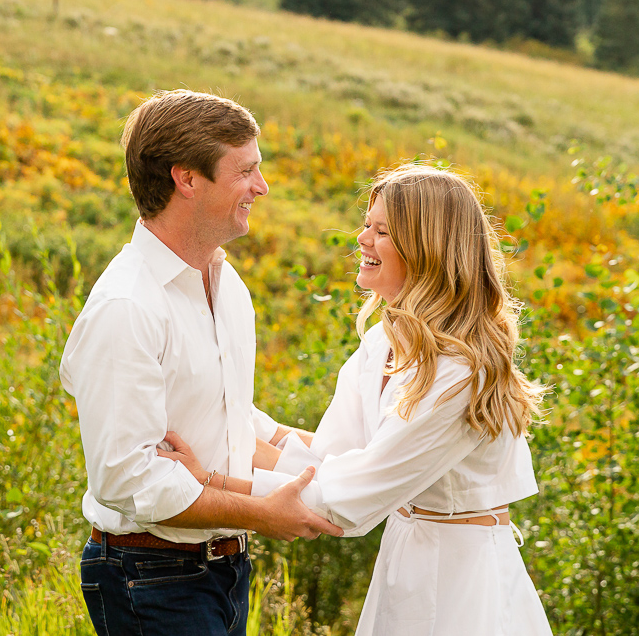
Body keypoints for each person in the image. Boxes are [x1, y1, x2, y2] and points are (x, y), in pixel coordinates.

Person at [159, 162, 553, 636]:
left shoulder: (460, 372)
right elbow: (333, 459)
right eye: (367, 224)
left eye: (382, 230)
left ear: (427, 248)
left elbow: (350, 497)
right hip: (407, 556)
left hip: (464, 579)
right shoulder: (385, 343)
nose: (363, 239)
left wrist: (215, 484)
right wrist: (216, 410)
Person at [60, 90, 341, 636]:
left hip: (222, 570)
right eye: (246, 172)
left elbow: (225, 412)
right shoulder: (128, 306)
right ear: (187, 179)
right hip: (151, 575)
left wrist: (322, 460)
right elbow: (125, 478)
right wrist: (261, 514)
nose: (261, 187)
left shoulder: (224, 281)